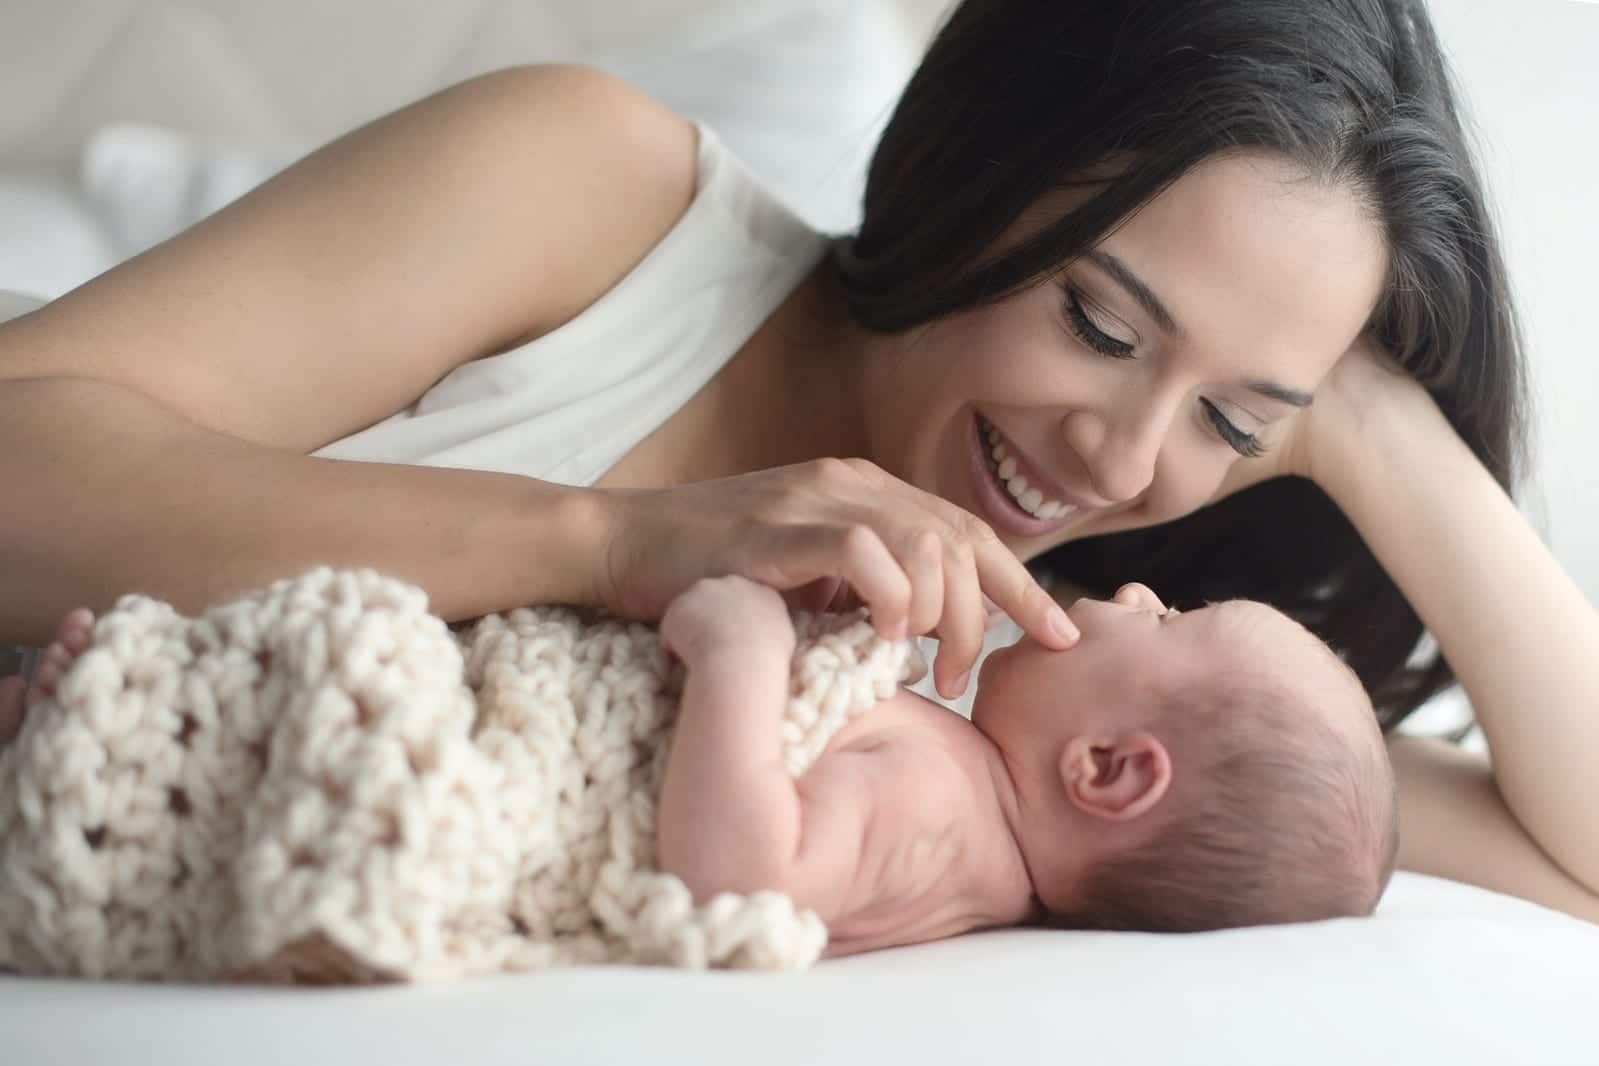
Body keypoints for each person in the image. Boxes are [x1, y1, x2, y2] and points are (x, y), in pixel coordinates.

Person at [0, 0, 1595, 926]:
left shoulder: (1064, 685)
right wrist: (619, 542)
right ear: (988, 174)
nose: (1118, 457)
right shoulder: (596, 193)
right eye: (1101, 324)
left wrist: (1378, 426)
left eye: (1233, 422)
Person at [2, 573, 1394, 963]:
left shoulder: (938, 813)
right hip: (533, 720)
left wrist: (739, 648)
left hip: (524, 793)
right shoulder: (956, 762)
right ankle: (97, 717)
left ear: (1108, 767)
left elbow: (745, 867)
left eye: (1175, 621)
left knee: (349, 694)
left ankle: (81, 739)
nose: (1139, 589)